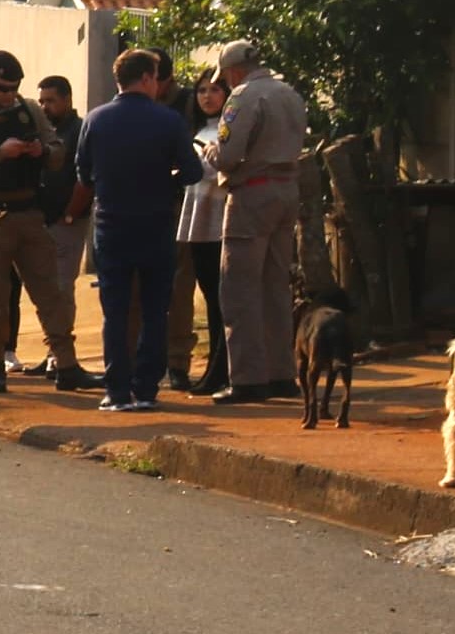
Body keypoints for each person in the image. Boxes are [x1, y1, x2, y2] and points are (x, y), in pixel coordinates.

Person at [71, 49, 205, 411]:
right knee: (155, 309)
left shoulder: (96, 120)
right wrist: (168, 176)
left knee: (114, 311)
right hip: (157, 224)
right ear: (147, 78)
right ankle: (146, 388)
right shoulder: (169, 121)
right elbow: (193, 172)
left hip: (111, 226)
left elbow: (83, 174)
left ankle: (116, 390)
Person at [0, 50, 80, 394]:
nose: (9, 96)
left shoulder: (29, 110)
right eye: (3, 88)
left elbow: (58, 151)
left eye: (14, 89)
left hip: (29, 211)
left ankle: (65, 363)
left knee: (49, 292)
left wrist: (43, 151)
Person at [206, 38, 310, 403]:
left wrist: (209, 151)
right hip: (286, 190)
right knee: (275, 286)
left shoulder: (242, 97)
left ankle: (248, 378)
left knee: (239, 289)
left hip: (252, 194)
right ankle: (282, 374)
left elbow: (229, 155)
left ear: (234, 71)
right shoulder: (289, 93)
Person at [167, 68, 232, 394]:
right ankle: (215, 370)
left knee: (225, 300)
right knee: (208, 298)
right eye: (202, 90)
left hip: (224, 223)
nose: (207, 96)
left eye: (215, 90)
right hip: (197, 223)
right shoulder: (191, 130)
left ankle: (223, 369)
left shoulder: (230, 129)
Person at [34, 73, 93, 380]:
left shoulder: (79, 131)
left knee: (61, 288)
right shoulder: (42, 132)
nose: (45, 106)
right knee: (46, 291)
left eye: (51, 100)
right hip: (40, 222)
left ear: (67, 100)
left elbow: (86, 178)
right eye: (41, 100)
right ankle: (52, 353)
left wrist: (70, 213)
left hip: (66, 221)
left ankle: (61, 357)